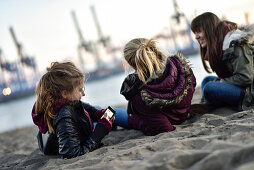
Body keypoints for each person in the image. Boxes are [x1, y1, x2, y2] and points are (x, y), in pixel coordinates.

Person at [32, 61, 125, 159]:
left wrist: (97, 114)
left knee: (105, 112)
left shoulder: (63, 101)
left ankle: (132, 121)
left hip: (77, 129)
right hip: (74, 134)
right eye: (80, 90)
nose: (83, 94)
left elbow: (82, 107)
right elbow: (72, 153)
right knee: (107, 119)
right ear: (64, 94)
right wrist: (101, 129)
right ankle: (136, 122)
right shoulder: (64, 117)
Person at [120, 38, 196, 136]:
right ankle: (98, 117)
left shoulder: (140, 96)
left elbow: (164, 128)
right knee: (107, 114)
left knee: (111, 113)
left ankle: (98, 118)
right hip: (183, 114)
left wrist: (138, 123)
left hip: (142, 119)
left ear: (132, 65)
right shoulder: (181, 67)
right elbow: (192, 85)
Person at [191, 12, 254, 111]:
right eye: (195, 33)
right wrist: (220, 82)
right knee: (207, 80)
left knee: (209, 88)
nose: (196, 37)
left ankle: (210, 103)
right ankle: (208, 103)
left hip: (249, 93)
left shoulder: (235, 43)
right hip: (243, 88)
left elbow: (246, 77)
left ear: (209, 30)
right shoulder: (220, 45)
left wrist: (221, 82)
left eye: (199, 31)